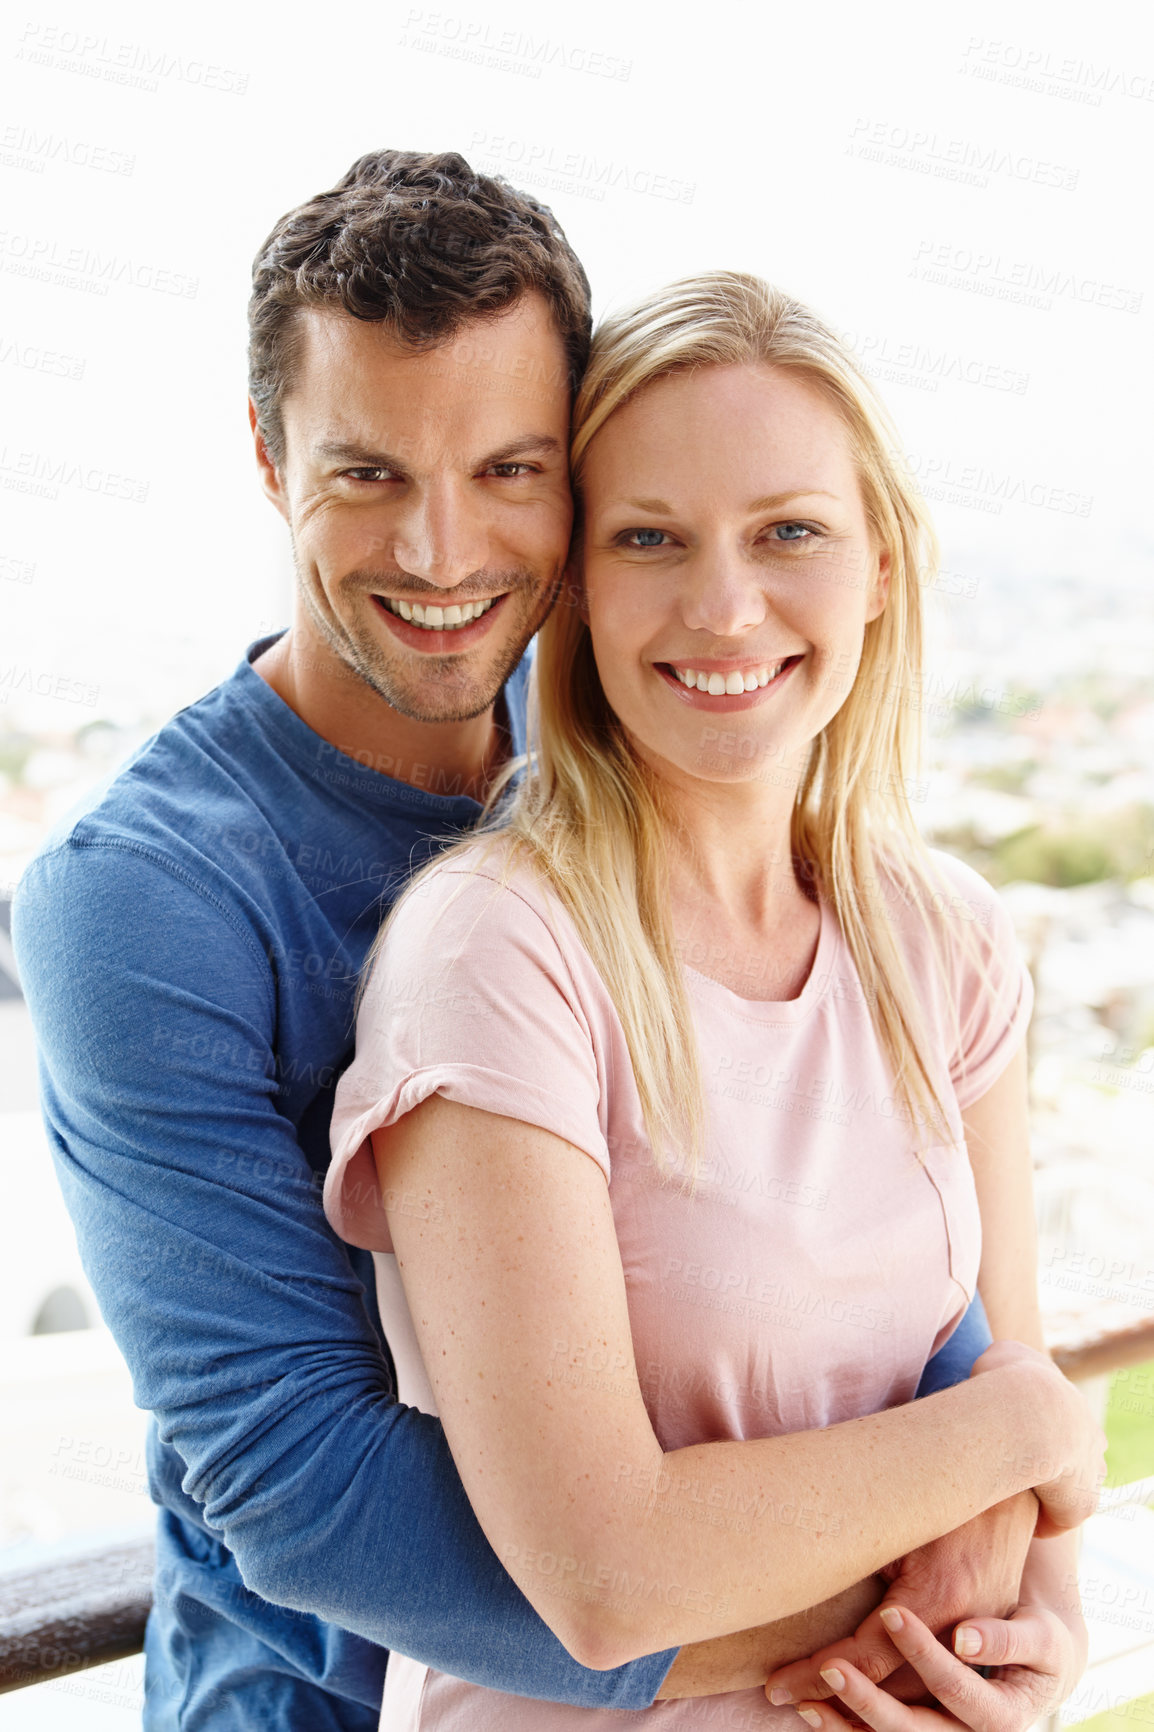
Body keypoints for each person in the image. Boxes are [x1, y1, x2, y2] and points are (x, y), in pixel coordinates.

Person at [9, 149, 1051, 1729]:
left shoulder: (651, 741)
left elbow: (863, 1220)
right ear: (268, 458)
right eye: (366, 472)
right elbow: (295, 1480)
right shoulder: (143, 900)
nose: (439, 554)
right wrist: (892, 1603)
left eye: (506, 470)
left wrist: (994, 1550)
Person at [325, 271, 1104, 1729]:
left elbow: (1012, 1433)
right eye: (649, 540)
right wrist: (1025, 1429)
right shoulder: (498, 954)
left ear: (879, 562)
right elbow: (604, 1573)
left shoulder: (943, 940)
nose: (723, 605)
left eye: (787, 532)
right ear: (576, 585)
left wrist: (1034, 1639)